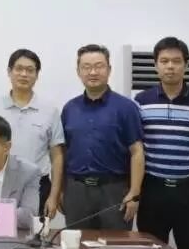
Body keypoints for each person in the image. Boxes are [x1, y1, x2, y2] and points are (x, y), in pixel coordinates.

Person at [133, 37, 189, 249]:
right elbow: (136, 145)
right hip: (152, 188)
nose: (170, 66)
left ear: (186, 65)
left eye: (176, 61)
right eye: (164, 61)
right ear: (156, 65)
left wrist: (188, 163)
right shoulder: (141, 101)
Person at [61, 44, 145, 230]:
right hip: (77, 191)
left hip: (114, 191)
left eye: (99, 66)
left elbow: (137, 152)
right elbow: (62, 152)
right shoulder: (69, 109)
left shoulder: (126, 108)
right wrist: (60, 190)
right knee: (77, 244)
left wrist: (134, 192)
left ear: (109, 69)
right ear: (78, 71)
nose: (93, 72)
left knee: (114, 245)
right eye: (86, 67)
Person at [0, 49, 64, 219]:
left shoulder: (49, 110)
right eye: (19, 69)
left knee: (32, 233)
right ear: (9, 72)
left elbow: (57, 156)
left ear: (37, 75)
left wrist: (53, 196)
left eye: (30, 70)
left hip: (37, 185)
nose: (24, 74)